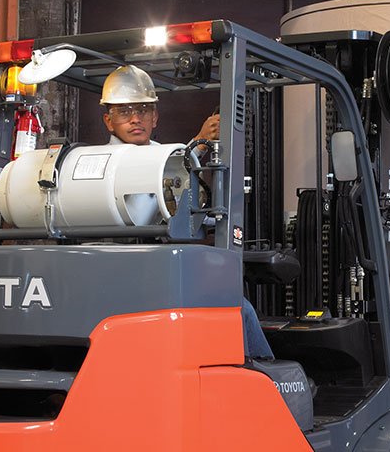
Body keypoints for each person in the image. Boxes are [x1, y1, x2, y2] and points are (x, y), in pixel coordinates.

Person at [101, 65, 274, 360]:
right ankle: (259, 372)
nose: (135, 118)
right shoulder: (108, 161)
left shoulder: (162, 152)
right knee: (237, 307)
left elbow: (180, 191)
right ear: (109, 121)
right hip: (135, 273)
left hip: (155, 268)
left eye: (143, 109)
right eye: (124, 111)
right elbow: (158, 188)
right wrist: (198, 144)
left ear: (155, 116)